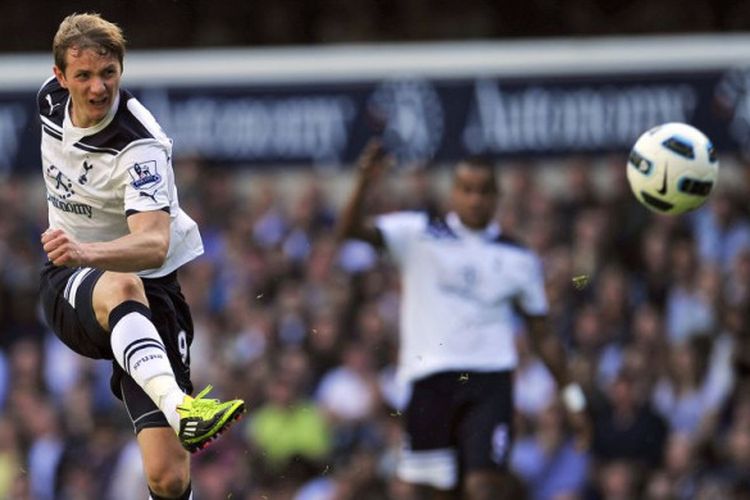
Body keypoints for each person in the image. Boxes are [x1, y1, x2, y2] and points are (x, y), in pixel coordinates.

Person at [37, 13, 245, 499]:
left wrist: (85, 247)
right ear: (59, 77)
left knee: (167, 476)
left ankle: (175, 413)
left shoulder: (140, 144)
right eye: (83, 76)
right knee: (119, 283)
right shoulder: (47, 102)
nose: (97, 88)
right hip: (70, 283)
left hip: (152, 292)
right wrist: (81, 255)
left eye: (108, 74)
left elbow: (154, 243)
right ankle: (182, 407)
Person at [337, 139, 590, 500]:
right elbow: (349, 231)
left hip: (490, 381)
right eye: (467, 190)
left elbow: (543, 334)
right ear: (453, 192)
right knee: (429, 493)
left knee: (483, 488)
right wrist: (364, 182)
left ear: (497, 195)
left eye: (484, 191)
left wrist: (573, 398)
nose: (475, 199)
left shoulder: (518, 257)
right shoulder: (419, 233)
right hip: (431, 380)